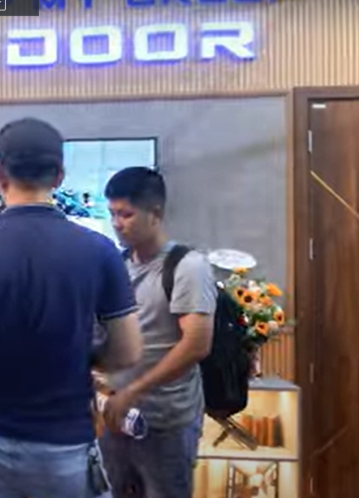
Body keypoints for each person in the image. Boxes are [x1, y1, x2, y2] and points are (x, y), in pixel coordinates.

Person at [0, 117, 144, 498]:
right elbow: (128, 352)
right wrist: (82, 356)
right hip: (67, 442)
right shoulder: (101, 252)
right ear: (59, 176)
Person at [99, 167, 217, 498]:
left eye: (126, 214)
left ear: (155, 214)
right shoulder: (118, 265)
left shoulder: (187, 266)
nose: (117, 223)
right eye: (112, 214)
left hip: (166, 422)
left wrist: (133, 391)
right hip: (115, 416)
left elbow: (196, 345)